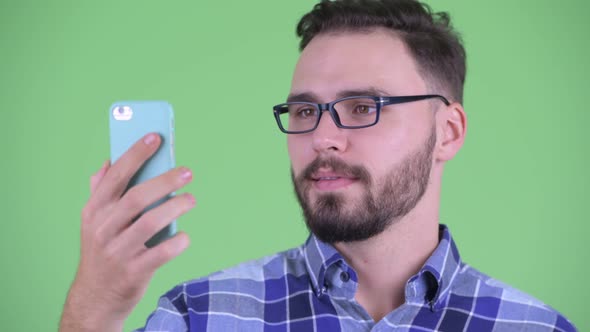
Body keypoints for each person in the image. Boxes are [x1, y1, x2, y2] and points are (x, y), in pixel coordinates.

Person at [60, 0, 577, 331]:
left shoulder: (536, 328)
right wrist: (92, 312)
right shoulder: (200, 316)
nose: (323, 138)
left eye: (363, 108)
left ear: (448, 132)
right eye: (306, 111)